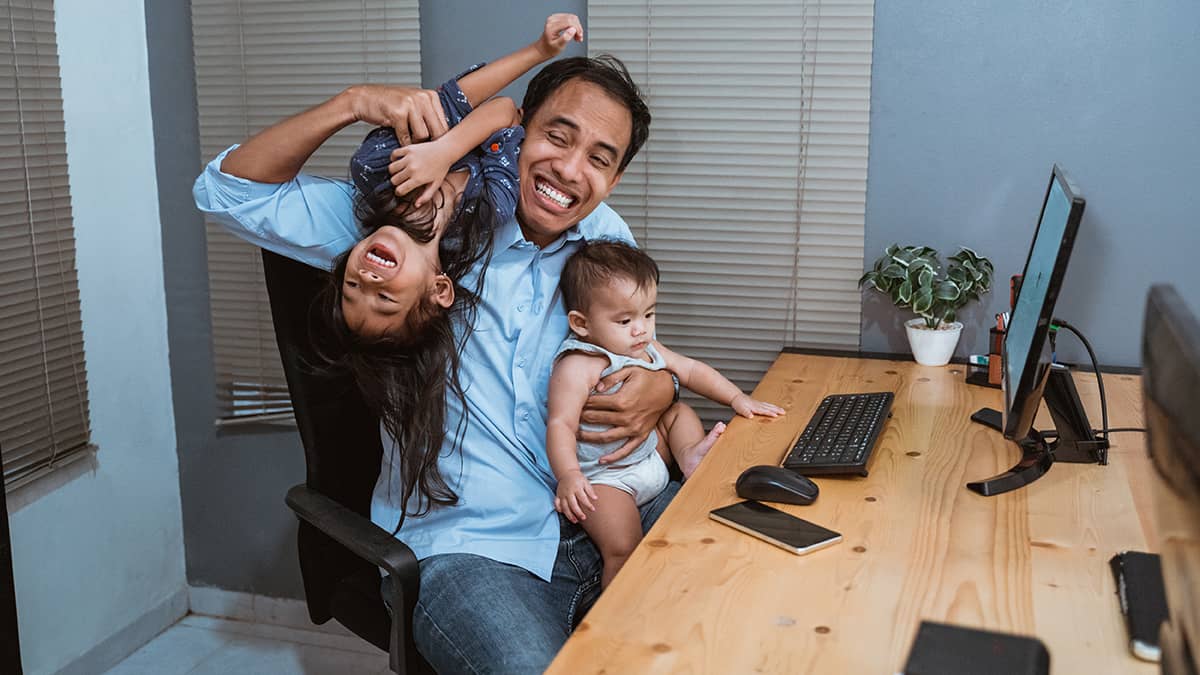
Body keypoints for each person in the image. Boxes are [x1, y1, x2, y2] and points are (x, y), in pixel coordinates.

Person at [194, 31, 676, 670]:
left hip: (605, 508)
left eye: (598, 158)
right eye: (558, 137)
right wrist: (353, 103)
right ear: (519, 129)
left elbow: (635, 344)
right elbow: (229, 192)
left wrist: (661, 383)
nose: (569, 169)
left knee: (750, 591)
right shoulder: (413, 227)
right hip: (475, 550)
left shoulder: (601, 235)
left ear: (614, 178)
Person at [548, 240, 785, 586]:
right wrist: (569, 474)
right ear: (582, 323)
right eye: (625, 320)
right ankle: (616, 615)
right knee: (624, 549)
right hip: (607, 481)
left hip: (652, 463)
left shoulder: (647, 347)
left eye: (649, 314)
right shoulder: (577, 365)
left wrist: (738, 399)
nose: (641, 329)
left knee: (679, 411)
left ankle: (688, 456)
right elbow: (560, 423)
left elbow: (691, 371)